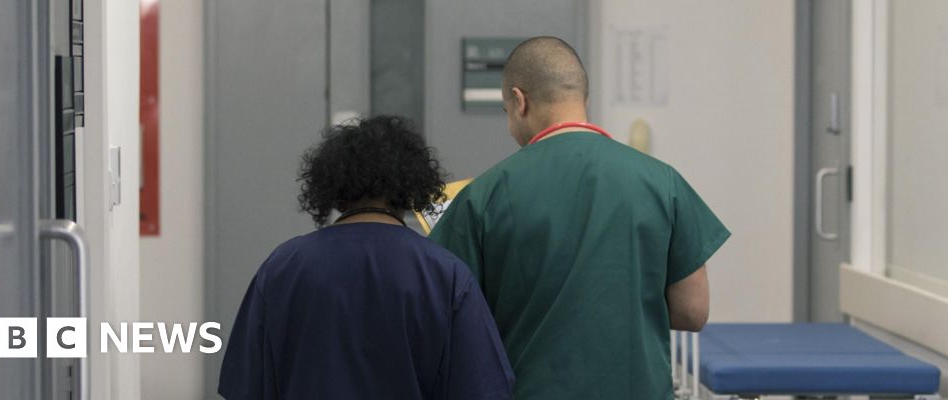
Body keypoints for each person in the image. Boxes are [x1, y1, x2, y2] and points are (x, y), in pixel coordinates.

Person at [429, 37, 730, 400]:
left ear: (520, 101)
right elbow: (692, 313)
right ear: (584, 98)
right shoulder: (663, 182)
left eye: (507, 112)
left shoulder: (484, 195)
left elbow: (450, 318)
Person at [218, 115, 515, 400]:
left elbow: (246, 386)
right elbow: (481, 388)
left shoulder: (282, 267)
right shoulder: (445, 274)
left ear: (332, 187)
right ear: (411, 186)